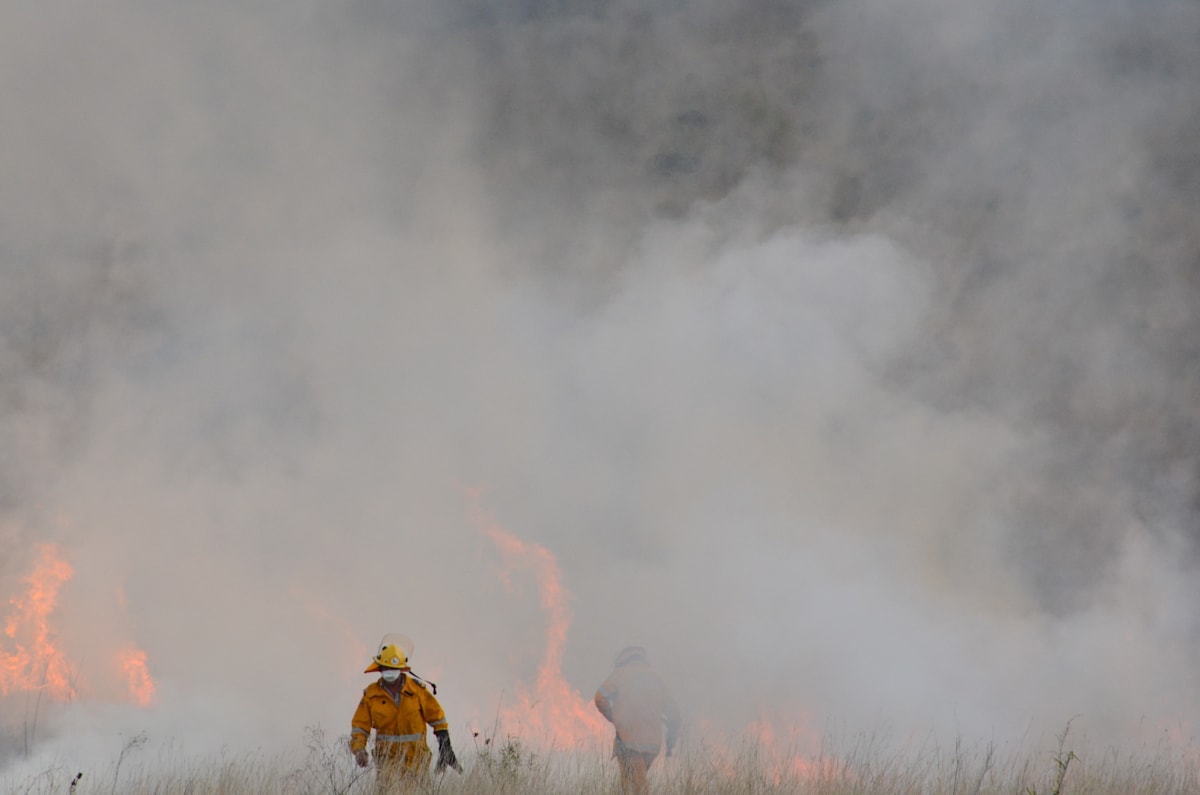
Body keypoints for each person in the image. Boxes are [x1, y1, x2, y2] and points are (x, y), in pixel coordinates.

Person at [350, 633, 462, 791]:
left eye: (393, 668)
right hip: (387, 764)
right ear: (380, 668)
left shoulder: (417, 692)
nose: (390, 671)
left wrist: (445, 747)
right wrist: (359, 749)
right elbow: (359, 727)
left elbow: (438, 719)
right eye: (386, 667)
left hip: (416, 763)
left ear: (402, 669)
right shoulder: (371, 695)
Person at [594, 645, 682, 795]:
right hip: (653, 744)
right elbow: (673, 710)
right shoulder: (656, 678)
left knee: (638, 787)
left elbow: (599, 697)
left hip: (629, 741)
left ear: (623, 658)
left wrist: (613, 717)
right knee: (631, 783)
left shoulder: (620, 674)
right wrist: (672, 732)